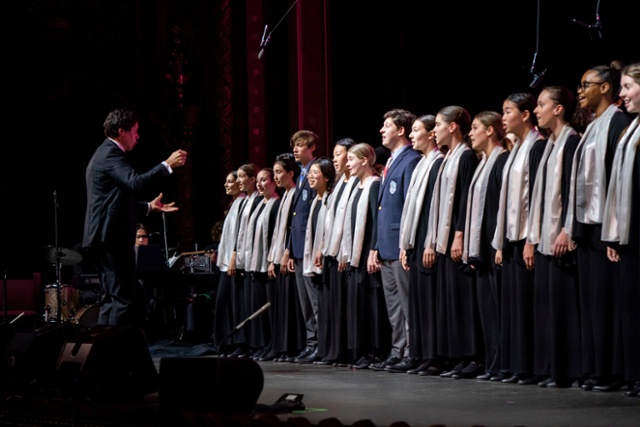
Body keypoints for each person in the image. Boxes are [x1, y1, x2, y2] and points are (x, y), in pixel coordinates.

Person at [83, 107, 187, 328]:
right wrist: (167, 165)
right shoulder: (110, 154)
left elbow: (114, 203)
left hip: (103, 237)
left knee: (112, 299)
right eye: (135, 131)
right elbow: (135, 182)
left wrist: (149, 207)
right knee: (122, 299)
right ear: (122, 130)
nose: (138, 137)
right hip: (112, 238)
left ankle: (101, 353)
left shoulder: (102, 154)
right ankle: (114, 355)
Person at [565, 63, 631, 392]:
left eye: (585, 84)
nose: (580, 90)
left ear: (605, 87)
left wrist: (611, 228)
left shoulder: (617, 121)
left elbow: (615, 178)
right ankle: (595, 368)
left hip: (606, 226)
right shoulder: (594, 124)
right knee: (591, 302)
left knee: (607, 303)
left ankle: (611, 371)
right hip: (588, 227)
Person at [528, 86, 582, 387]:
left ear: (558, 108)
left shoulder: (571, 141)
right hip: (546, 238)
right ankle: (555, 369)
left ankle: (571, 371)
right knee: (550, 306)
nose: (538, 110)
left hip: (562, 236)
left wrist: (566, 229)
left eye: (542, 104)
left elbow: (574, 189)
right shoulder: (551, 144)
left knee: (565, 305)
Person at [492, 93, 547, 385]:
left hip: (526, 236)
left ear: (525, 115)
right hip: (511, 237)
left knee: (527, 305)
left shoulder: (536, 146)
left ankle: (530, 365)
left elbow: (536, 197)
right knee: (513, 304)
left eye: (508, 110)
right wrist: (501, 242)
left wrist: (531, 239)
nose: (504, 117)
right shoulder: (516, 149)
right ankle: (515, 364)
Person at [425, 105, 481, 379]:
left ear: (453, 126)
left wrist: (459, 234)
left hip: (458, 239)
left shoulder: (467, 157)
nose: (434, 130)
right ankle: (456, 356)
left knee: (463, 300)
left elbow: (466, 200)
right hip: (444, 240)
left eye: (438, 124)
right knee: (450, 301)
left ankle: (472, 356)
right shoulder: (447, 158)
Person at [370, 109, 422, 373]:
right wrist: (377, 245)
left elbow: (408, 207)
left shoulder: (411, 160)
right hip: (386, 244)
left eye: (387, 125)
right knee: (392, 303)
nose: (382, 130)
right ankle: (397, 348)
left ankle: (412, 350)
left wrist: (405, 243)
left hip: (400, 243)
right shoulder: (392, 161)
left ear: (401, 130)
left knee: (406, 300)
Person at [462, 111, 509, 380]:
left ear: (490, 131)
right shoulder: (483, 162)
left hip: (495, 246)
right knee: (487, 311)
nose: (471, 133)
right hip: (481, 248)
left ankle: (502, 362)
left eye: (476, 128)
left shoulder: (501, 160)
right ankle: (493, 362)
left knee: (499, 309)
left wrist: (499, 244)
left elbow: (502, 207)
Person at [602, 62, 640, 398]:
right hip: (630, 235)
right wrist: (615, 232)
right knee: (631, 306)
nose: (622, 94)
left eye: (628, 87)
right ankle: (634, 373)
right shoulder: (632, 129)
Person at [397, 114, 444, 375]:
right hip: (414, 241)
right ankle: (420, 353)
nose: (412, 135)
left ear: (431, 134)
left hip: (428, 239)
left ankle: (432, 355)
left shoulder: (435, 162)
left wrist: (429, 242)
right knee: (417, 303)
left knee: (429, 302)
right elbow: (410, 209)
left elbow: (434, 209)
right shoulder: (422, 164)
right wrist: (406, 244)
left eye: (416, 130)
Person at [342, 143, 391, 369]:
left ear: (364, 161)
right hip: (356, 255)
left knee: (372, 304)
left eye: (351, 159)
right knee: (359, 305)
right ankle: (360, 350)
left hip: (368, 255)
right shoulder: (356, 187)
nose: (348, 164)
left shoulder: (373, 185)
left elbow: (376, 223)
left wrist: (374, 251)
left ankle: (376, 350)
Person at [318, 137, 358, 366]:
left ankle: (344, 351)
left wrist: (343, 251)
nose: (334, 159)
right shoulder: (339, 183)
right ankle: (333, 350)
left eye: (339, 154)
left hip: (344, 252)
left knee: (344, 305)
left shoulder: (355, 182)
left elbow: (348, 222)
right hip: (332, 251)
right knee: (333, 304)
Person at [266, 153, 305, 362]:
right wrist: (273, 258)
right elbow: (277, 233)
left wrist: (287, 253)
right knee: (281, 304)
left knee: (293, 304)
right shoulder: (284, 197)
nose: (276, 176)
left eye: (279, 172)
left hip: (288, 257)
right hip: (279, 256)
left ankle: (293, 346)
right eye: (274, 173)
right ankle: (281, 345)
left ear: (291, 173)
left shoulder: (296, 194)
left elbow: (292, 230)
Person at [286, 130, 319, 362]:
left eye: (300, 145)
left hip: (310, 246)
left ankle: (320, 343)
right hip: (298, 247)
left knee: (315, 300)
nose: (295, 149)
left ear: (312, 147)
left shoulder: (317, 172)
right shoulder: (300, 176)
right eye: (294, 146)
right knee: (304, 302)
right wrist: (289, 248)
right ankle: (311, 342)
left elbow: (314, 214)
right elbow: (295, 216)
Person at [298, 157, 336, 364]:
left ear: (327, 177)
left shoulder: (329, 199)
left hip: (325, 261)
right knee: (314, 306)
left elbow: (329, 230)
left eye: (316, 173)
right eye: (309, 173)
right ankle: (317, 345)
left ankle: (324, 347)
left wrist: (321, 249)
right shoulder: (315, 200)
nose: (311, 177)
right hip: (312, 260)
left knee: (322, 307)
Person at [246, 168, 281, 360]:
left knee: (271, 307)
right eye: (258, 181)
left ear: (273, 182)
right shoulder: (260, 204)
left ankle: (274, 344)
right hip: (256, 263)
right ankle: (264, 344)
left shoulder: (275, 204)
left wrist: (270, 261)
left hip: (268, 263)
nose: (259, 184)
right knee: (259, 307)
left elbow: (275, 236)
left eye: (264, 180)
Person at [213, 171, 246, 353]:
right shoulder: (233, 204)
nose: (226, 185)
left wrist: (233, 255)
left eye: (230, 181)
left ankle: (233, 342)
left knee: (230, 302)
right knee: (223, 302)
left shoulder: (242, 203)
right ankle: (225, 342)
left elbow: (240, 234)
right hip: (225, 262)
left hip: (233, 262)